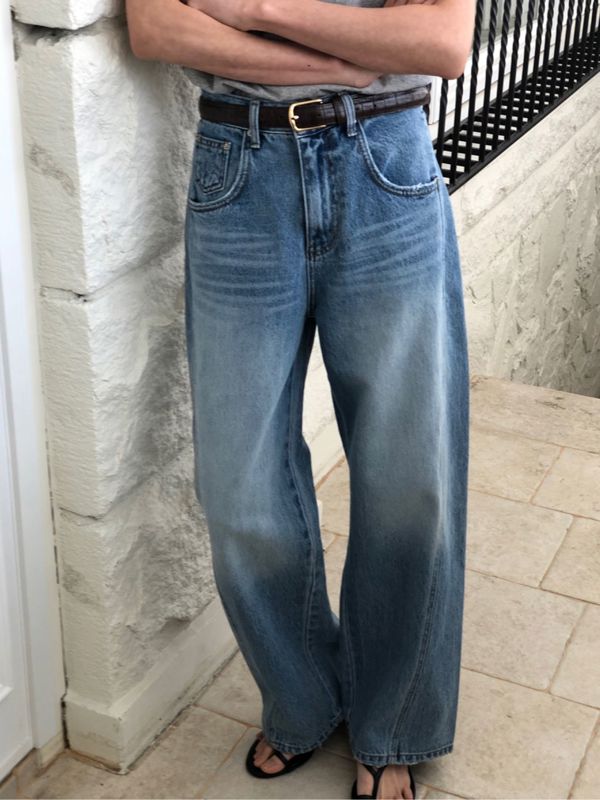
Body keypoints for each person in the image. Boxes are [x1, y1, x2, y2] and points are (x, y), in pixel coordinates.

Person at [126, 0, 475, 796]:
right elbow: (156, 26)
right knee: (239, 487)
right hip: (239, 171)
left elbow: (441, 40)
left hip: (383, 159)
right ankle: (304, 696)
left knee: (409, 476)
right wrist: (349, 61)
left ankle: (394, 722)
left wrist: (253, 11)